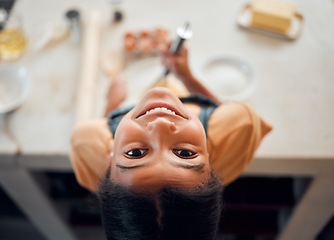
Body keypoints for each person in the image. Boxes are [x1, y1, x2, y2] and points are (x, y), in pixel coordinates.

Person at [70, 43, 272, 240]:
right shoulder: (238, 127)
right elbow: (225, 112)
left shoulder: (87, 142)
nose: (160, 125)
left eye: (135, 153)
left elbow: (101, 128)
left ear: (108, 163)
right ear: (211, 167)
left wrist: (112, 103)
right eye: (184, 153)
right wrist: (187, 76)